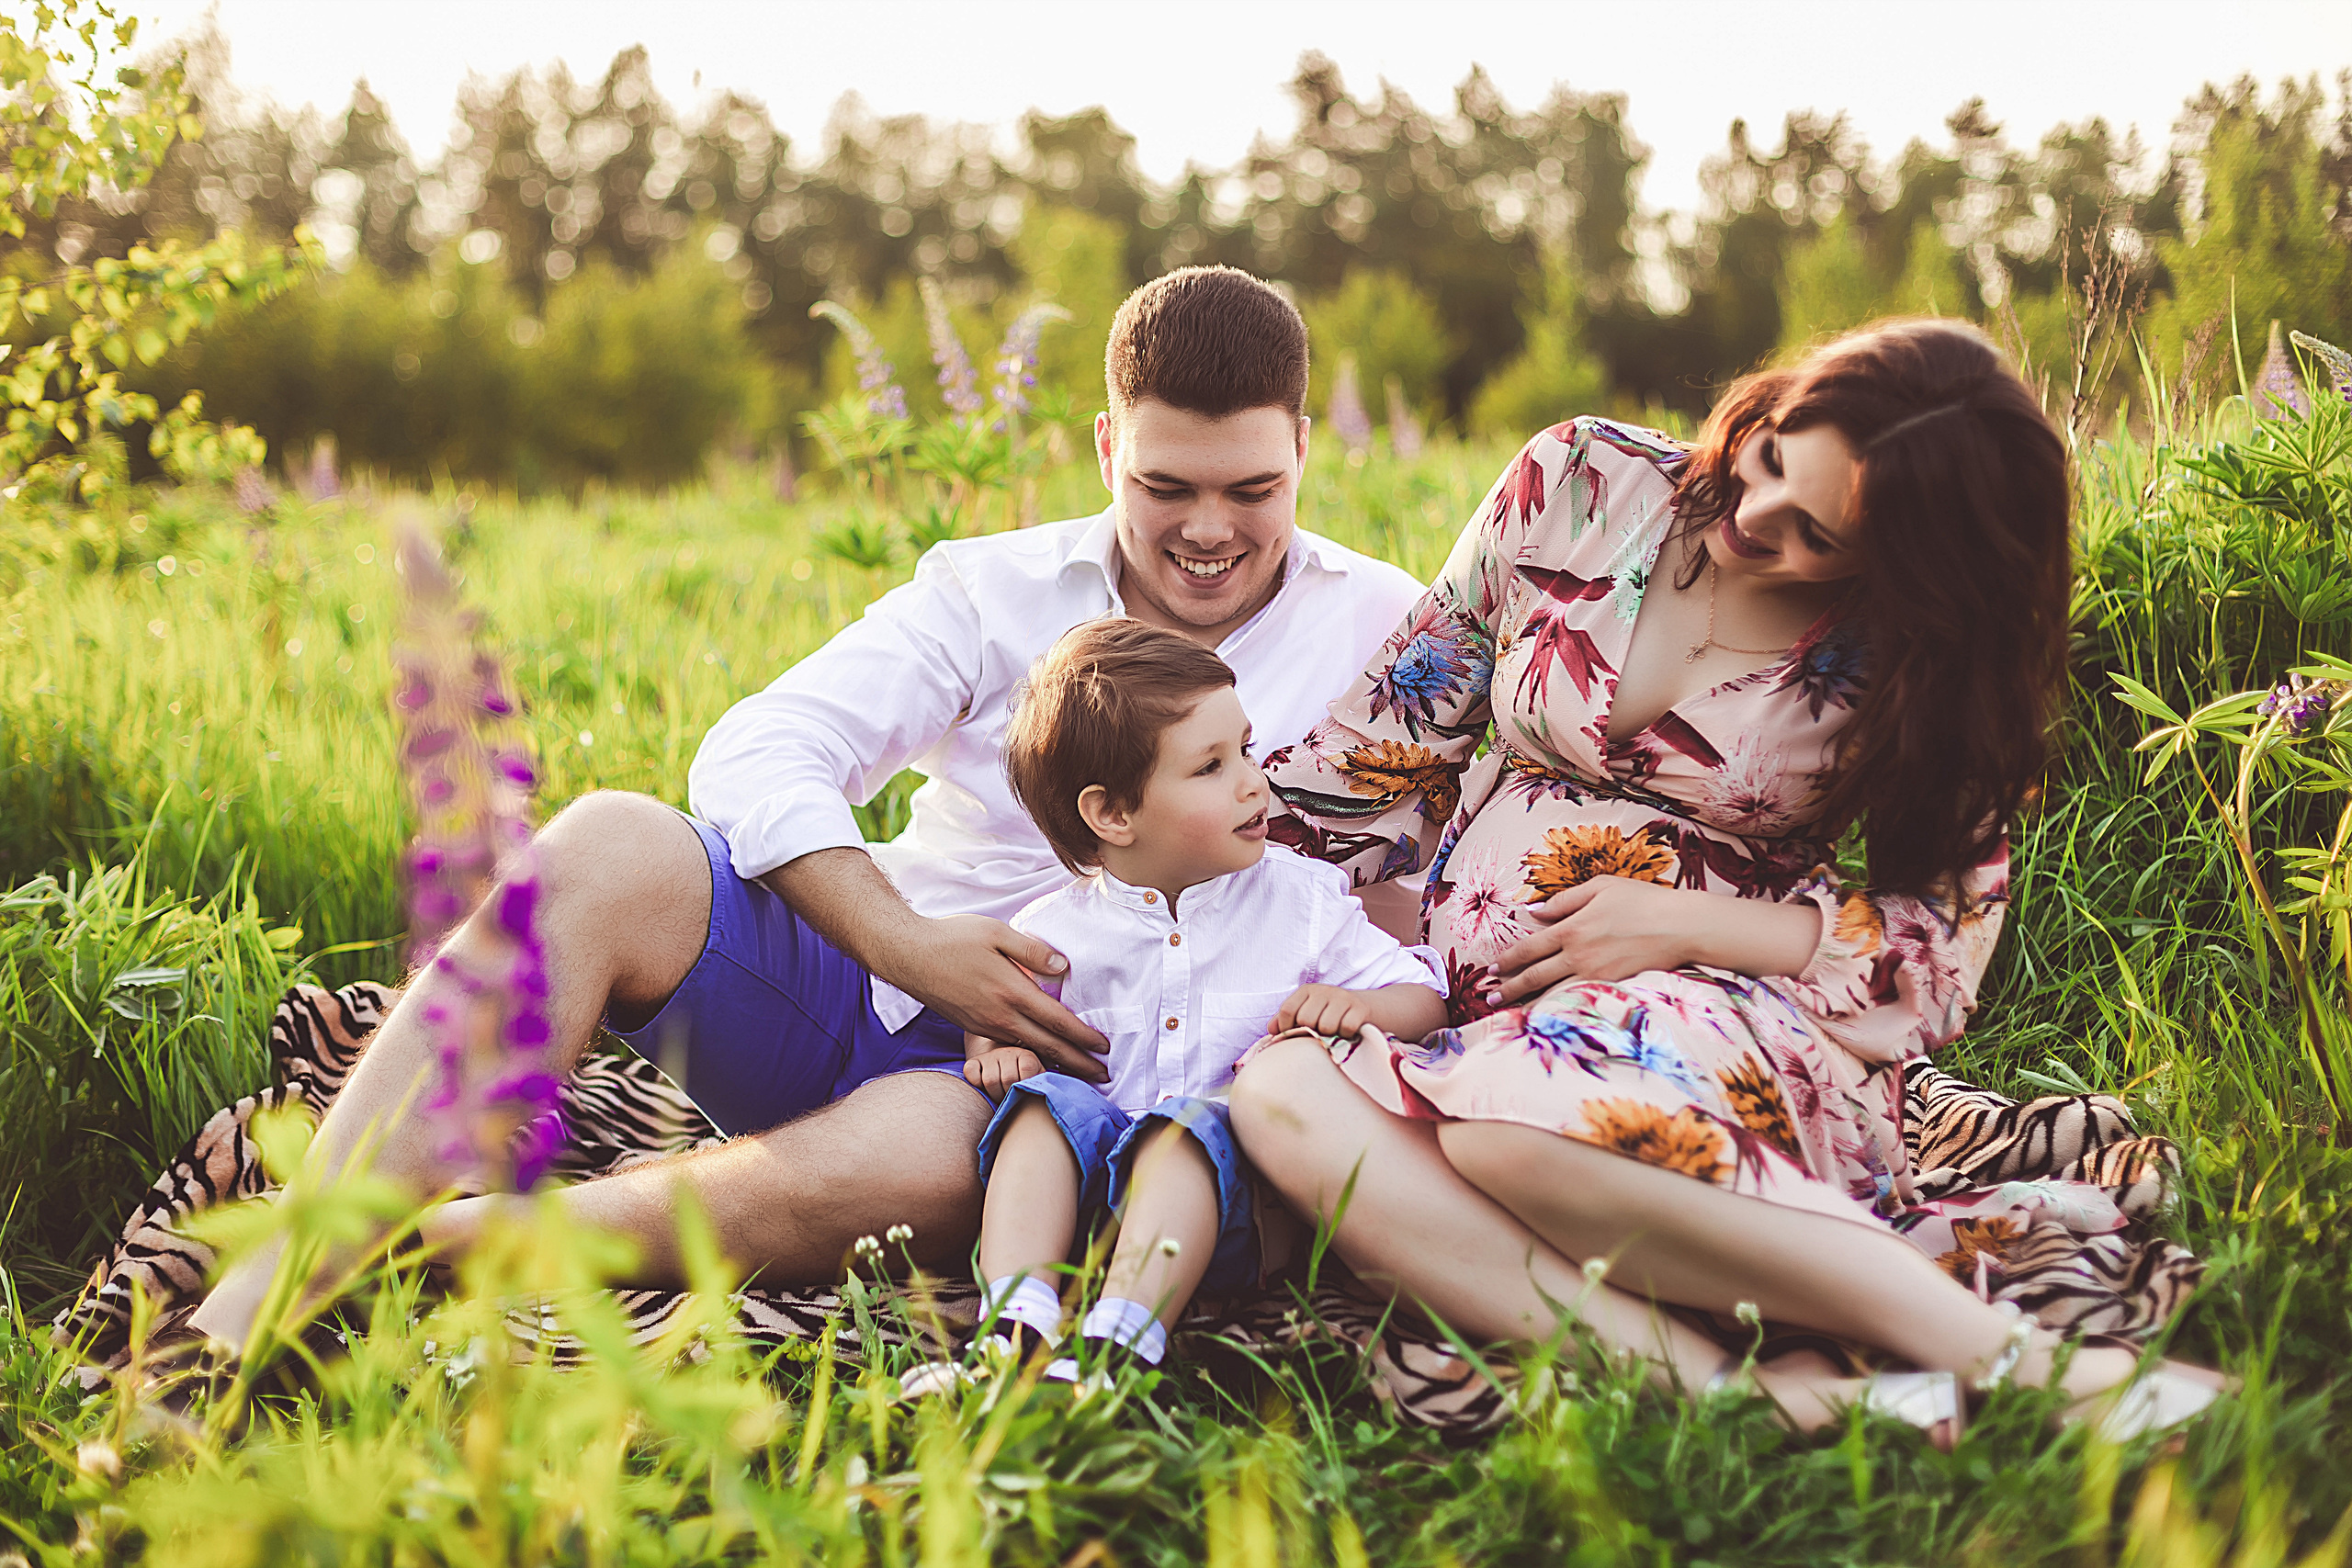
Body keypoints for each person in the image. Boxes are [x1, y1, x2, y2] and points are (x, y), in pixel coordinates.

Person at [187, 265, 1424, 1351]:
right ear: (1108, 450)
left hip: (1064, 1080)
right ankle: (249, 1300)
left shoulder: (1389, 629)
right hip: (875, 981)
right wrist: (909, 945)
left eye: (1252, 489)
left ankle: (460, 1242)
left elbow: (1477, 850)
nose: (1209, 530)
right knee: (609, 840)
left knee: (927, 1163)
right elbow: (757, 747)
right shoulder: (993, 588)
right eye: (1166, 486)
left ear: (1305, 447)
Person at [1230, 319, 2222, 1442]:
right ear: (1777, 408)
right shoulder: (1579, 481)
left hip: (1731, 1019)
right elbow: (1382, 744)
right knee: (1280, 1095)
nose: (1757, 523)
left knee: (1508, 1133)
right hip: (1475, 1023)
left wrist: (1678, 921)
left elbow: (1937, 959)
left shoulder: (1916, 654)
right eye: (1769, 467)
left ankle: (2021, 1363)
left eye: (1819, 536)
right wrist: (1160, 882)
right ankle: (1735, 1396)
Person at [953, 621, 1445, 1380]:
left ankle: (1118, 1340)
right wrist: (998, 1055)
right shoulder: (1056, 931)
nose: (1254, 780)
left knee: (1185, 1129)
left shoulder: (1300, 900)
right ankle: (1015, 1320)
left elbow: (1425, 997)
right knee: (1043, 1108)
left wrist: (1364, 1009)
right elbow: (995, 1018)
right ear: (1113, 815)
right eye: (1212, 766)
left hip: (1234, 1209)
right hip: (1089, 1208)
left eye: (1245, 749)